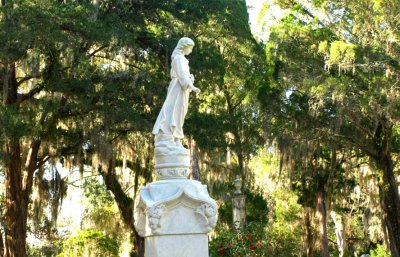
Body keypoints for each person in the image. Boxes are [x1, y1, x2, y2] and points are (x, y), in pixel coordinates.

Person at [152, 37, 200, 149]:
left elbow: (185, 75)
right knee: (176, 112)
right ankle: (175, 139)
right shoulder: (178, 58)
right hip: (177, 88)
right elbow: (181, 75)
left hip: (182, 88)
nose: (191, 51)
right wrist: (193, 87)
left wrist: (190, 79)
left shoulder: (182, 59)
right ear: (184, 46)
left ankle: (177, 139)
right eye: (190, 48)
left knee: (180, 112)